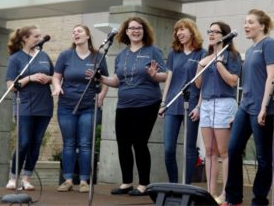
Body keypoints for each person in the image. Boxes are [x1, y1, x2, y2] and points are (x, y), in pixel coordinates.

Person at [98, 16, 167, 196]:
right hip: (124, 104)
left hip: (147, 103)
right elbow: (117, 80)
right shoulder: (121, 55)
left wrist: (155, 75)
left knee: (139, 142)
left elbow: (166, 75)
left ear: (144, 31)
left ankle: (144, 184)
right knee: (123, 144)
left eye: (139, 28)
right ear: (126, 32)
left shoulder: (153, 51)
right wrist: (101, 78)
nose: (135, 31)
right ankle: (126, 182)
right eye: (131, 28)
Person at [223, 9, 274, 206]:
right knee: (233, 149)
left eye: (250, 22)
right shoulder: (248, 51)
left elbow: (271, 78)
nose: (246, 26)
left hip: (261, 107)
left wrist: (264, 106)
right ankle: (233, 197)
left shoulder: (270, 45)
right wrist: (240, 109)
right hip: (245, 106)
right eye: (245, 22)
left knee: (263, 156)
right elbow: (248, 82)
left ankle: (259, 199)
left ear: (262, 25)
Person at [52, 24, 109, 193]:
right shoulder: (65, 55)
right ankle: (68, 180)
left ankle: (84, 180)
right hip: (66, 105)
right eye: (73, 31)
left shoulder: (98, 56)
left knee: (85, 144)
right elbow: (56, 76)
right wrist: (57, 87)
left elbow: (105, 79)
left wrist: (101, 96)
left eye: (79, 31)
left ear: (87, 36)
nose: (75, 33)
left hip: (88, 107)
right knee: (69, 143)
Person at [195, 21, 241, 204]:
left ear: (225, 35)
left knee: (224, 151)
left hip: (224, 103)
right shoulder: (205, 57)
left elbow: (232, 82)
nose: (212, 34)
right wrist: (201, 64)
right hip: (206, 103)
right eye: (210, 31)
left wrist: (219, 64)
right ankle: (209, 193)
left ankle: (226, 193)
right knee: (209, 150)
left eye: (216, 32)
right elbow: (198, 85)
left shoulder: (233, 56)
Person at [5, 25, 54, 191]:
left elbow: (54, 77)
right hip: (24, 106)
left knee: (35, 143)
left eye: (40, 36)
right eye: (36, 36)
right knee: (24, 142)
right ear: (25, 38)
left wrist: (48, 78)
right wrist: (30, 78)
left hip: (45, 106)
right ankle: (13, 177)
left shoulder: (44, 56)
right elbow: (11, 86)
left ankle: (26, 178)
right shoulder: (16, 58)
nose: (40, 39)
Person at [158, 18, 206, 184]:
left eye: (183, 29)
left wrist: (199, 106)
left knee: (190, 149)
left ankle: (186, 186)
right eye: (177, 30)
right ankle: (173, 184)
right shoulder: (174, 53)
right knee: (169, 149)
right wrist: (163, 103)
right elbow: (169, 78)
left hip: (192, 104)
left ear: (192, 31)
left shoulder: (202, 53)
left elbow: (204, 83)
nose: (179, 33)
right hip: (172, 104)